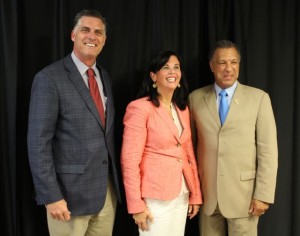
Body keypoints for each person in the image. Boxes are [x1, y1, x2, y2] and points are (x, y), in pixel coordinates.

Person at [27, 9, 121, 236]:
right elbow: (38, 142)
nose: (92, 36)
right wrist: (51, 195)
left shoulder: (104, 76)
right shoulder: (49, 78)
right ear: (73, 35)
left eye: (98, 32)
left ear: (104, 40)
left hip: (105, 195)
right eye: (85, 30)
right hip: (68, 198)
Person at [189, 39, 278, 236]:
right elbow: (190, 149)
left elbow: (268, 152)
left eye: (234, 62)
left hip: (244, 198)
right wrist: (193, 191)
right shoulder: (195, 98)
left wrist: (263, 195)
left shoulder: (259, 98)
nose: (228, 68)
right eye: (222, 63)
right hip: (208, 197)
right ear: (212, 66)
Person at [121, 50, 202, 236]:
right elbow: (130, 161)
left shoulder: (182, 109)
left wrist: (195, 193)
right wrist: (136, 205)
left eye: (176, 67)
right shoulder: (140, 108)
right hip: (155, 197)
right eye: (166, 67)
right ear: (153, 76)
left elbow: (188, 155)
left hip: (182, 193)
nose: (172, 71)